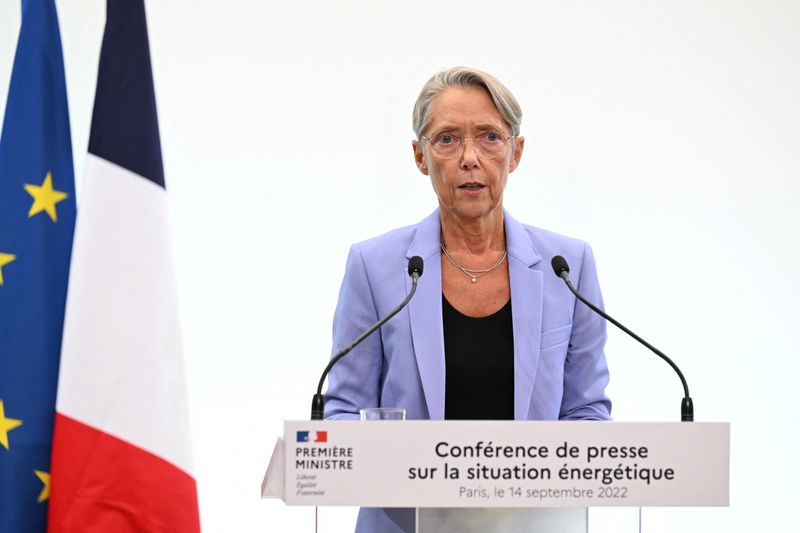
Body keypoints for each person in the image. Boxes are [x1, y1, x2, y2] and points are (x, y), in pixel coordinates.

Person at [324, 66, 611, 533]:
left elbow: (587, 411)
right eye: (447, 140)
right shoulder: (373, 267)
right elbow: (343, 412)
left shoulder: (568, 267)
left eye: (490, 138)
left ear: (516, 153)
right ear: (420, 156)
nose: (470, 158)